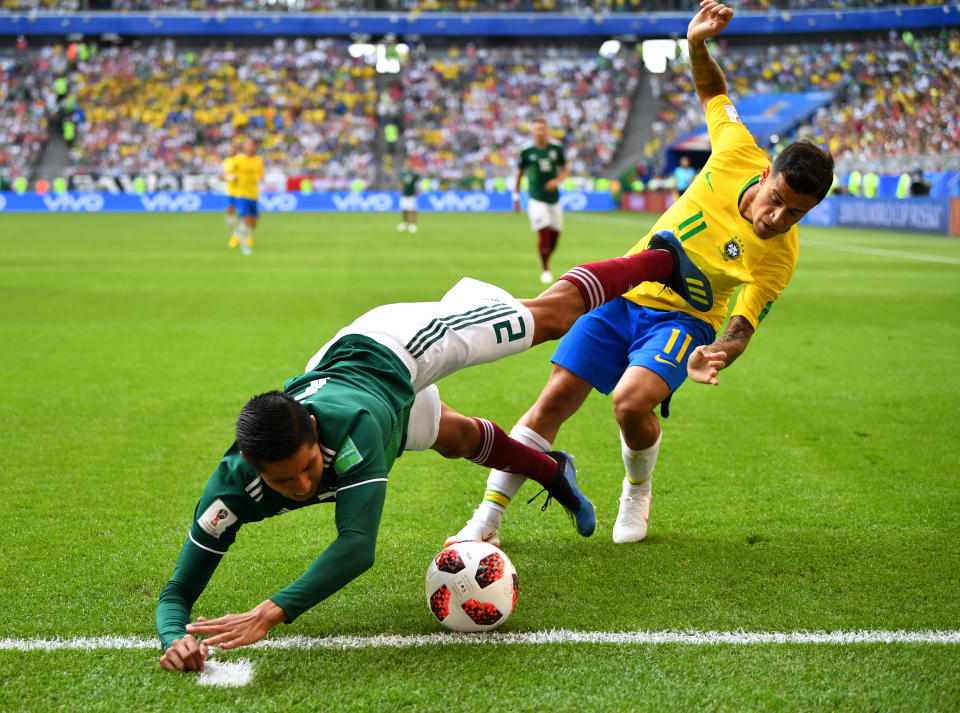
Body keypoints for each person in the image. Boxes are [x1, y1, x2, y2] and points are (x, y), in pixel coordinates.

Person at [156, 238, 715, 672]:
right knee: (460, 440)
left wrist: (274, 610)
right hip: (383, 397)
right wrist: (173, 639)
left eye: (309, 466)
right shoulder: (231, 488)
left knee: (548, 318)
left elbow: (356, 548)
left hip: (400, 345)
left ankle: (658, 260)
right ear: (252, 471)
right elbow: (177, 593)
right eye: (285, 482)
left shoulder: (353, 437)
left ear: (313, 434)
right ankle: (556, 473)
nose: (304, 485)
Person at [449, 0, 834, 548]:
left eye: (796, 212)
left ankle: (637, 488)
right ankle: (486, 520)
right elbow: (712, 93)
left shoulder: (780, 253)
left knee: (630, 403)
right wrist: (697, 43)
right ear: (766, 172)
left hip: (685, 321)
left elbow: (745, 324)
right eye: (777, 200)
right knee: (554, 397)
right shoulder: (734, 149)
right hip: (625, 293)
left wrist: (719, 352)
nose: (778, 218)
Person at [514, 117, 570, 284]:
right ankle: (545, 268)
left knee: (555, 235)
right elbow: (519, 173)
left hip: (553, 198)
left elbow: (565, 169)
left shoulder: (556, 148)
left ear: (547, 131)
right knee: (544, 232)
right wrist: (516, 196)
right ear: (533, 132)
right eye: (537, 129)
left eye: (543, 129)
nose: (540, 132)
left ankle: (544, 256)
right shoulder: (527, 150)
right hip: (536, 197)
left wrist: (557, 181)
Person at [231, 138, 265, 256]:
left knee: (254, 222)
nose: (250, 147)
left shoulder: (258, 160)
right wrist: (230, 177)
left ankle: (245, 237)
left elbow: (261, 175)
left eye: (251, 145)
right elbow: (227, 172)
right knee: (245, 220)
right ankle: (243, 245)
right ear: (244, 147)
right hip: (242, 194)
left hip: (254, 194)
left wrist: (261, 179)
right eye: (247, 145)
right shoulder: (238, 159)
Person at [222, 144, 241, 248]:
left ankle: (246, 236)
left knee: (243, 214)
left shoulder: (241, 160)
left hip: (242, 191)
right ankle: (235, 235)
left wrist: (232, 176)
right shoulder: (226, 161)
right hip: (231, 191)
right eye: (230, 149)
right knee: (229, 212)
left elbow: (240, 174)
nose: (231, 150)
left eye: (233, 148)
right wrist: (225, 177)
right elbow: (225, 174)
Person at [397, 156, 420, 233]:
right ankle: (405, 223)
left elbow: (418, 182)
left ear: (412, 164)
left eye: (410, 162)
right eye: (407, 162)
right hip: (405, 193)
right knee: (404, 209)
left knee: (413, 209)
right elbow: (402, 182)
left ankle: (413, 224)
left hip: (412, 193)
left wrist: (419, 190)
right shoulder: (403, 172)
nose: (408, 164)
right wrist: (400, 189)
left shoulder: (415, 173)